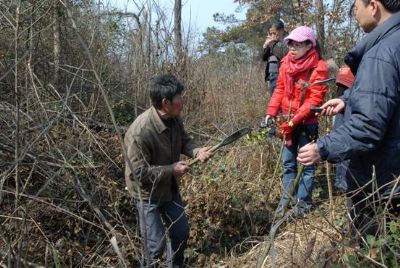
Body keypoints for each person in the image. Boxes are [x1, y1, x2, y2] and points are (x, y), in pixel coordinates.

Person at [298, 0, 400, 236]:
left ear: (373, 6)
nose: (354, 12)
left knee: (375, 252)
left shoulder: (381, 52)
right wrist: (350, 99)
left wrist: (322, 148)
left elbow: (368, 126)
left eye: (356, 5)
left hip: (382, 184)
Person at [124, 74, 212, 267]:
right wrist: (171, 170)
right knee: (155, 245)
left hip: (169, 189)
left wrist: (197, 151)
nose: (183, 100)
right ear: (165, 102)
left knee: (180, 232)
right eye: (179, 97)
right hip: (146, 194)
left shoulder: (174, 118)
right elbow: (136, 173)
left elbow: (185, 141)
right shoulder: (141, 131)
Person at [264, 26, 329, 217]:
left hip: (306, 123)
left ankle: (303, 206)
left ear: (309, 45)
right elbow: (279, 90)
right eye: (290, 43)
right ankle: (286, 202)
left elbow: (315, 100)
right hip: (287, 120)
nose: (292, 47)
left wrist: (295, 120)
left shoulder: (319, 67)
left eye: (298, 44)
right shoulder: (286, 64)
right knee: (288, 164)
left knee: (306, 164)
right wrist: (271, 112)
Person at [332, 65, 355, 192]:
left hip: (349, 93)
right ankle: (341, 182)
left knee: (344, 140)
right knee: (341, 138)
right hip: (345, 92)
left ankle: (343, 182)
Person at [262, 20, 288, 96]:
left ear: (281, 31)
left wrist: (272, 43)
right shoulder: (271, 42)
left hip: (281, 74)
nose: (273, 35)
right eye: (271, 33)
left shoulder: (287, 41)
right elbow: (264, 57)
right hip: (271, 74)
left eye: (275, 33)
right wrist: (265, 46)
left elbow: (281, 54)